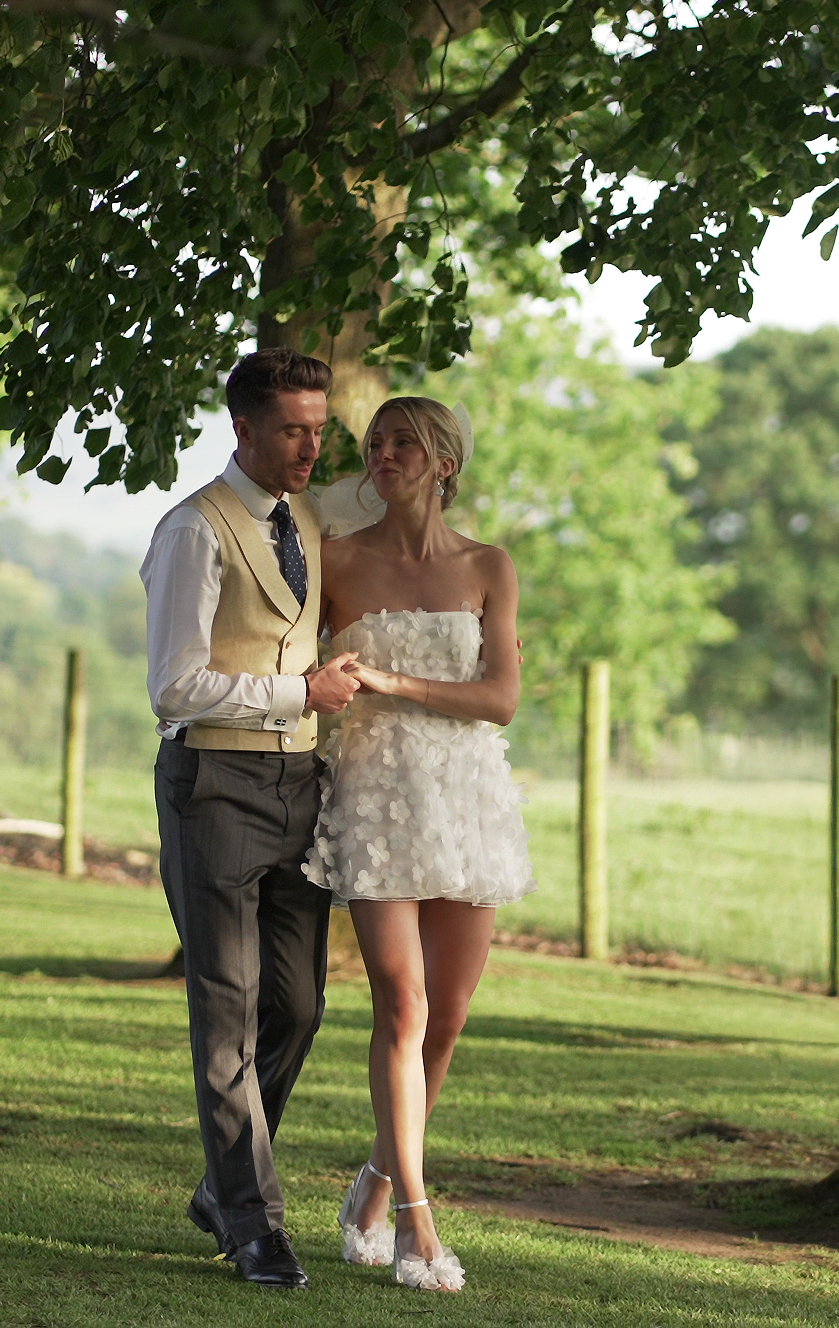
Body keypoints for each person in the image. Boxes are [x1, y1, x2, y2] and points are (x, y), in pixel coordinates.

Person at [140, 346, 364, 1290]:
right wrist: (298, 692)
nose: (311, 448)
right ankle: (253, 1223)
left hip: (299, 785)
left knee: (299, 1008)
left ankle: (220, 1185)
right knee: (227, 1011)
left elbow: (410, 498)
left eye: (319, 430)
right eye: (292, 431)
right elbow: (173, 687)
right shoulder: (193, 531)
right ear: (242, 428)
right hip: (216, 784)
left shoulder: (306, 518)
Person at [304, 396, 536, 1292]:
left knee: (447, 1018)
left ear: (445, 462)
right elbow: (298, 663)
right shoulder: (334, 561)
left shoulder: (488, 565)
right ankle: (416, 1222)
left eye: (405, 441)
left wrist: (392, 681)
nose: (384, 453)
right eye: (376, 442)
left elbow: (500, 699)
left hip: (466, 797)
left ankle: (374, 1180)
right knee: (401, 1006)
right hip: (373, 795)